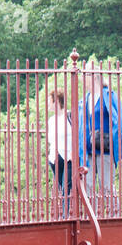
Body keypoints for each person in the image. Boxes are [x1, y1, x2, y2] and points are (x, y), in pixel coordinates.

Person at [78, 67, 122, 204]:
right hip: (88, 150)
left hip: (105, 148)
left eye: (84, 77)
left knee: (106, 186)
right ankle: (90, 218)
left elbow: (118, 120)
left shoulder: (109, 95)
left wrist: (114, 141)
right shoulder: (85, 99)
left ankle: (114, 216)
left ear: (94, 77)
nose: (82, 80)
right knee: (87, 186)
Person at [46, 88, 73, 216]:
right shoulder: (51, 121)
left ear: (56, 101)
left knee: (66, 188)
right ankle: (62, 214)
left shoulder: (70, 116)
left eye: (49, 101)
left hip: (68, 157)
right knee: (60, 188)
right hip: (55, 158)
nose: (48, 104)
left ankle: (65, 215)